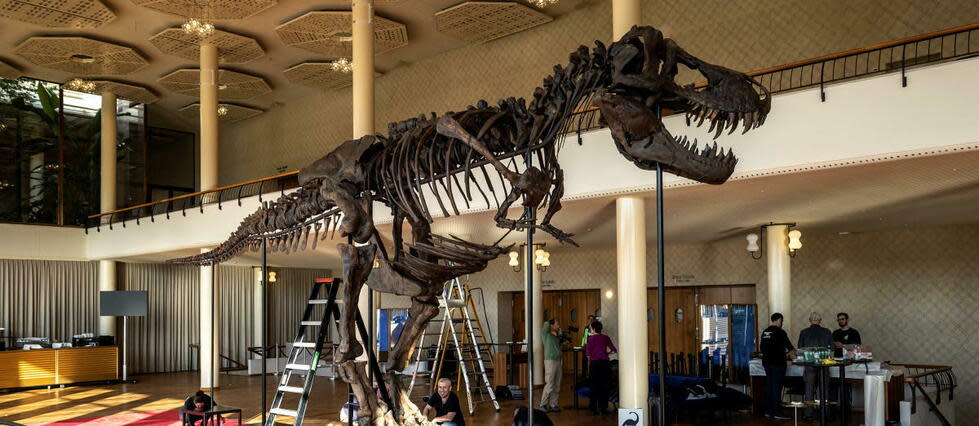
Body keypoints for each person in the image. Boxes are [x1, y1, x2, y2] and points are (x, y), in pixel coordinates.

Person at [798, 312, 832, 421]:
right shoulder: (827, 332)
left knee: (809, 389)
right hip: (824, 364)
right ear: (820, 320)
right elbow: (831, 349)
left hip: (809, 364)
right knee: (824, 390)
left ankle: (808, 414)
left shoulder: (804, 332)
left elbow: (800, 349)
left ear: (810, 320)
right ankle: (825, 414)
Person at [760, 313, 794, 421]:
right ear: (779, 320)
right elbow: (790, 347)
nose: (782, 323)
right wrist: (793, 353)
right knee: (776, 388)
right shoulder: (780, 332)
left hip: (767, 363)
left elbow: (762, 348)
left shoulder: (765, 332)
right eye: (782, 321)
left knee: (769, 387)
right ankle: (777, 412)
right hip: (777, 363)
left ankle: (769, 411)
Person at [584, 320, 616, 415]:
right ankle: (603, 408)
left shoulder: (590, 339)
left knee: (594, 386)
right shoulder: (606, 338)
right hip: (605, 364)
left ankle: (593, 408)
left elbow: (588, 355)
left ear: (593, 329)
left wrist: (591, 362)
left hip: (595, 364)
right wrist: (606, 353)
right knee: (604, 386)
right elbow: (614, 350)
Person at [540, 318, 563, 413]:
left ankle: (554, 404)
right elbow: (546, 324)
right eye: (557, 324)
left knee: (557, 384)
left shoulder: (555, 336)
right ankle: (543, 404)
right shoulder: (546, 334)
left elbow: (558, 346)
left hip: (558, 360)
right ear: (551, 325)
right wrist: (550, 322)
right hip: (550, 361)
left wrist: (561, 337)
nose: (558, 326)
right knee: (550, 383)